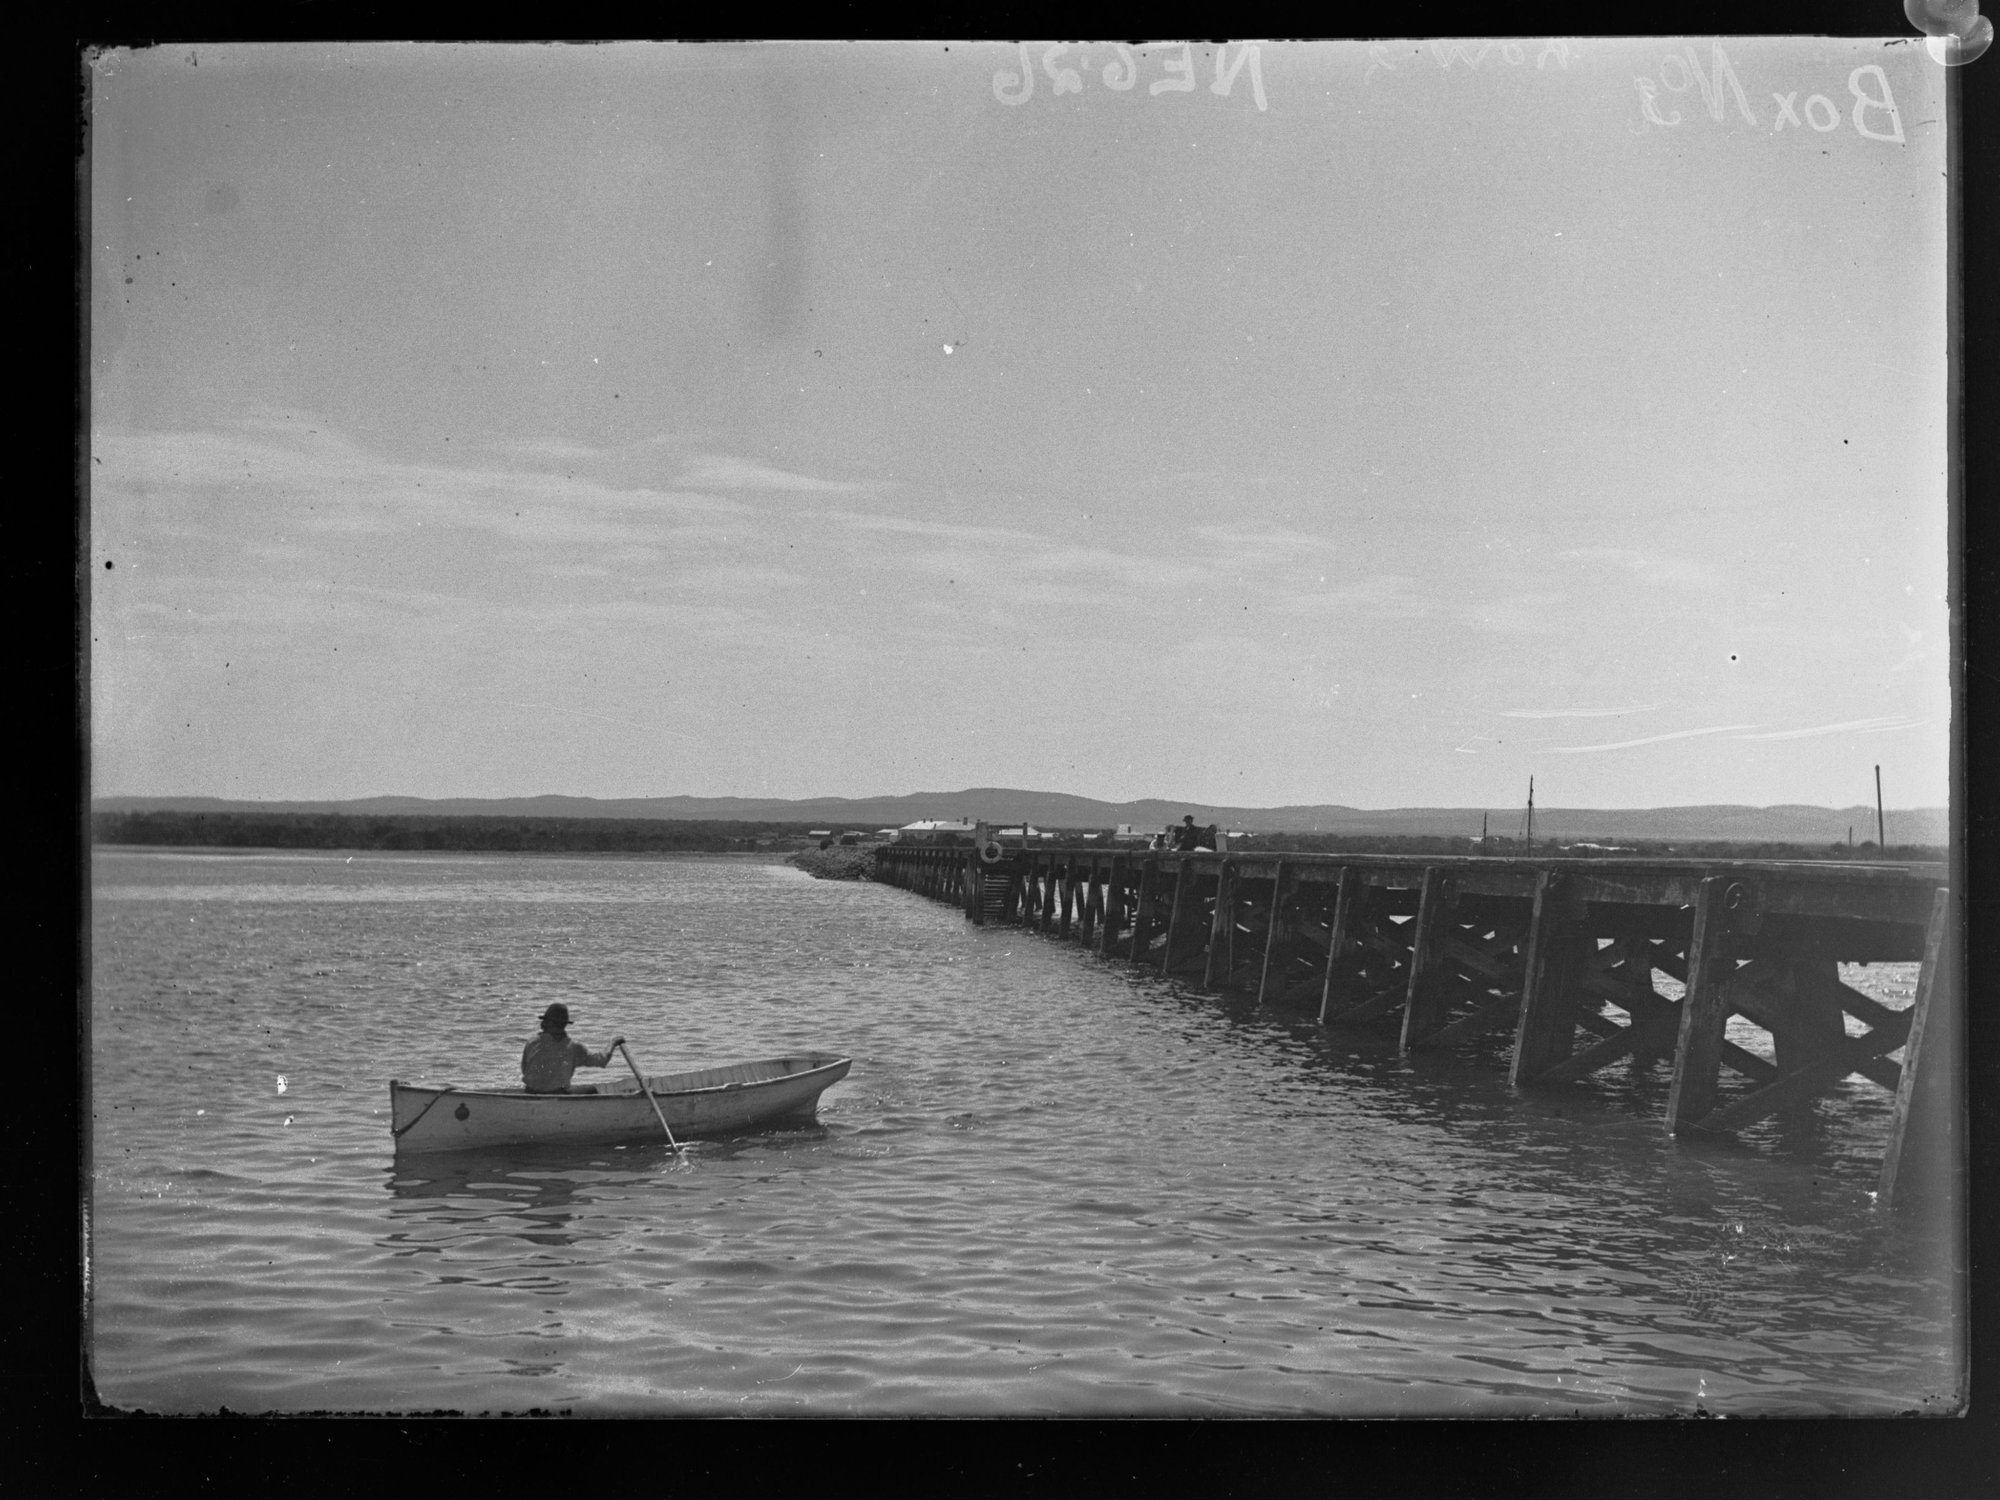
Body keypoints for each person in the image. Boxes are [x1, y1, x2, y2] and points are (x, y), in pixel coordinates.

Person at [521, 1003, 623, 1093]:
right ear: (564, 1024)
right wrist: (613, 1042)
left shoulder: (531, 1042)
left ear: (546, 1022)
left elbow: (524, 1070)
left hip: (530, 1092)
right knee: (592, 1089)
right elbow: (602, 1060)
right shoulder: (573, 1047)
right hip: (557, 1094)